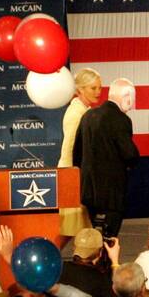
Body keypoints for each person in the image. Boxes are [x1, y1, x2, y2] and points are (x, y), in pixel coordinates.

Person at [76, 78, 139, 239]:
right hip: (111, 193)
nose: (132, 104)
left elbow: (76, 152)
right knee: (109, 239)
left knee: (95, 239)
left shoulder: (88, 116)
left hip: (88, 191)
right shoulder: (121, 119)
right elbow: (129, 153)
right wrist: (132, 163)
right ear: (127, 97)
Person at [57, 67, 104, 236]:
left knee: (79, 229)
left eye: (100, 87)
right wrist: (74, 177)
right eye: (93, 88)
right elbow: (70, 148)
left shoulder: (85, 111)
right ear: (80, 90)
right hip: (73, 176)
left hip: (78, 176)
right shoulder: (76, 113)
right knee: (72, 228)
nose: (98, 92)